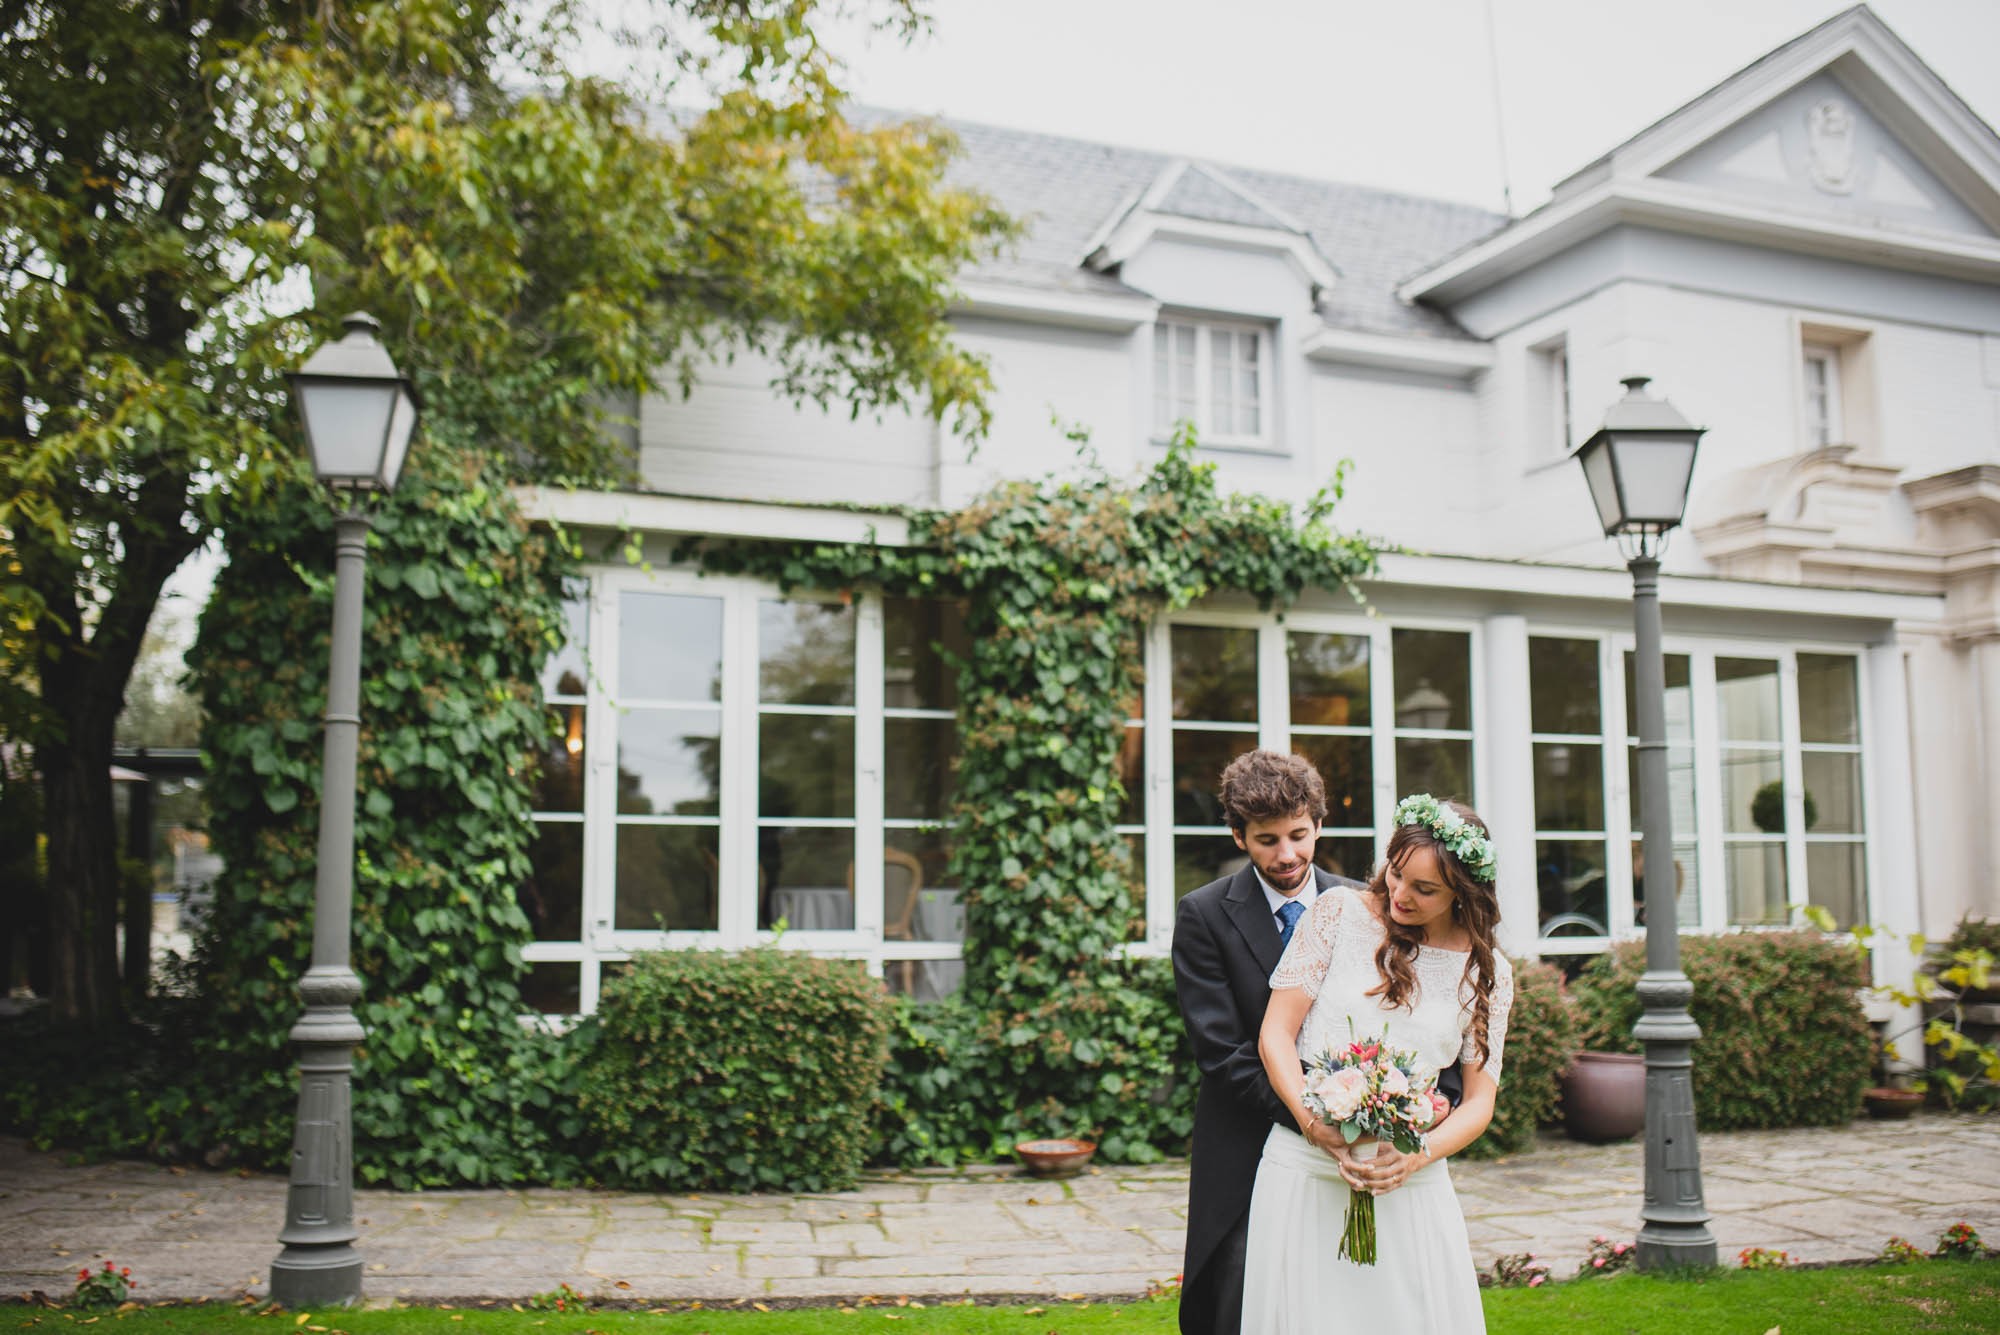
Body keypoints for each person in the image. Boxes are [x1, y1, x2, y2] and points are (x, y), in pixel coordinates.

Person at [1172, 752, 1461, 1335]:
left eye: (1298, 835)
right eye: (1266, 840)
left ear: (1319, 824)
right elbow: (1222, 1049)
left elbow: (1425, 1010)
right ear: (1238, 836)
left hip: (1367, 1139)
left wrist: (1411, 1108)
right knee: (1235, 1294)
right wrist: (1316, 1117)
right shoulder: (1203, 914)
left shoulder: (1370, 906)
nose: (1287, 855)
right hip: (1244, 1139)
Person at [1244, 793, 1512, 1334]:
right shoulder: (1335, 914)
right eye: (1396, 874)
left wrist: (1416, 1158)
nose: (1401, 894)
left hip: (1408, 1185)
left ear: (1463, 893)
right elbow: (1276, 1033)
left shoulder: (1487, 974)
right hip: (1305, 1169)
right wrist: (1312, 1120)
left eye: (1425, 889)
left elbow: (1480, 1101)